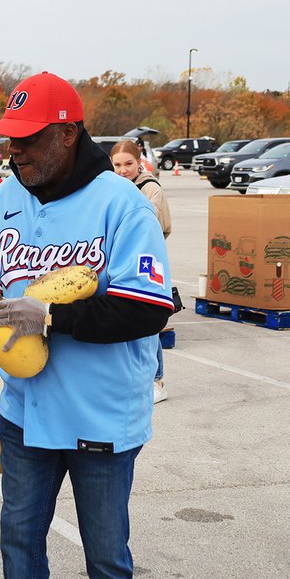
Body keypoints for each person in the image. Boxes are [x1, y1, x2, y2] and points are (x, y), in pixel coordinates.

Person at [0, 72, 173, 579]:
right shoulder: (6, 196)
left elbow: (148, 309)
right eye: (10, 139)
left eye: (28, 139)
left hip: (98, 414)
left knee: (105, 561)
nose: (15, 151)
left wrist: (53, 317)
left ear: (66, 134)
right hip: (24, 411)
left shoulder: (121, 204)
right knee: (19, 548)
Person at [111, 138, 173, 403]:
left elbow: (152, 229)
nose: (123, 170)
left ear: (139, 163)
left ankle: (157, 380)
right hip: (120, 260)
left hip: (146, 261)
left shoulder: (150, 189)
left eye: (128, 164)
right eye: (117, 165)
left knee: (147, 319)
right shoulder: (113, 188)